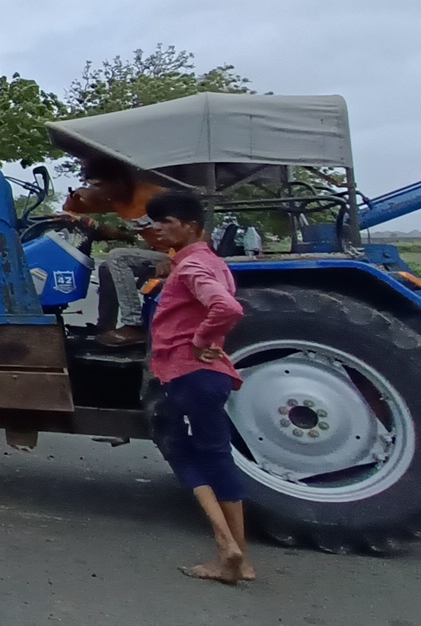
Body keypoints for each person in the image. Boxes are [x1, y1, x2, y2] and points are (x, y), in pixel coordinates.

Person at [145, 189, 251, 584]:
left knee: (182, 451)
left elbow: (227, 308)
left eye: (165, 222)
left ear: (191, 227)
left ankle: (227, 548)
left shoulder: (190, 268)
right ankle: (242, 557)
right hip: (209, 376)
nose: (157, 229)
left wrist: (203, 340)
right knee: (215, 454)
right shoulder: (211, 262)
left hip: (188, 373)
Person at [60, 155, 165, 348]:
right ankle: (105, 326)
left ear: (118, 182)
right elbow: (71, 209)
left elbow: (196, 231)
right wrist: (78, 196)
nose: (96, 191)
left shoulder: (155, 196)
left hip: (180, 257)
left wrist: (176, 260)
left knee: (118, 256)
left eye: (99, 185)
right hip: (156, 255)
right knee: (107, 269)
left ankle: (134, 325)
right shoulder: (115, 199)